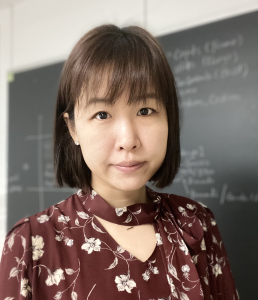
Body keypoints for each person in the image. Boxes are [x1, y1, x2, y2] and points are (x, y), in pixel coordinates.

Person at [0, 24, 239, 300]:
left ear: (169, 118)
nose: (128, 140)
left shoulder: (196, 224)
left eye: (145, 110)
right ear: (73, 128)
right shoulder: (30, 244)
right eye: (102, 114)